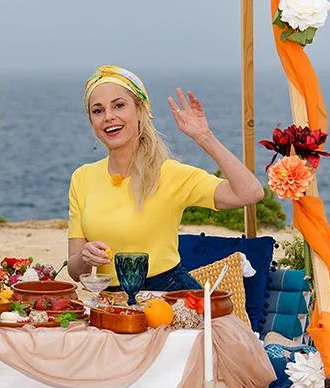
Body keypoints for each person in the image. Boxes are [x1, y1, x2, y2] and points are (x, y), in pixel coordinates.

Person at [67, 65, 264, 291]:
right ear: (91, 121)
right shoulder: (82, 178)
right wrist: (84, 257)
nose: (109, 117)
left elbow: (250, 193)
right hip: (109, 301)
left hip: (170, 296)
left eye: (119, 105)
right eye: (98, 111)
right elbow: (75, 271)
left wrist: (204, 137)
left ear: (140, 110)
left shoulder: (170, 173)